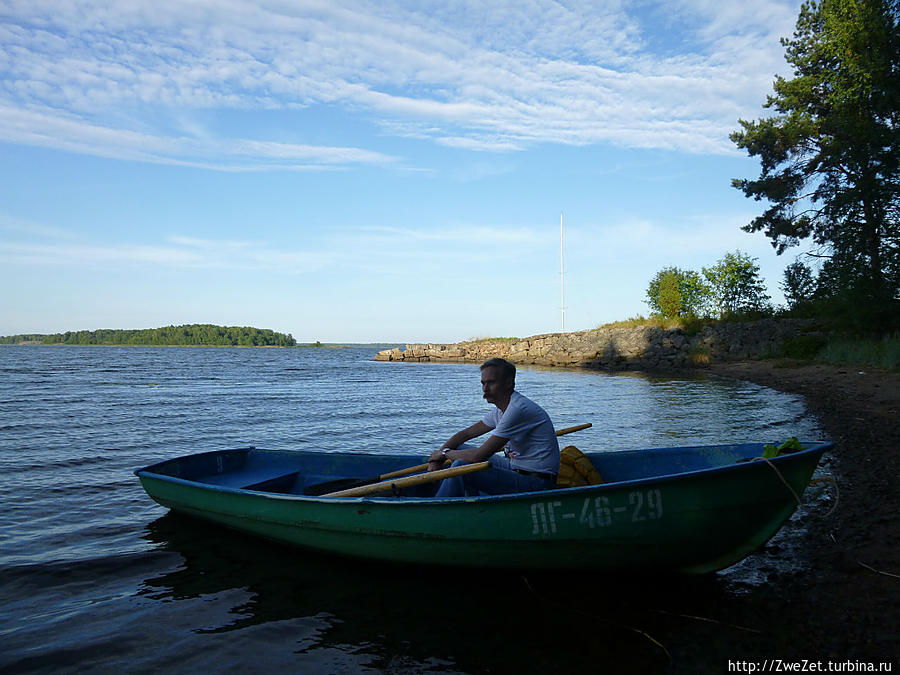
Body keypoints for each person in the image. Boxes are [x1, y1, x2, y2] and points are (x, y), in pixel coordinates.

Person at [428, 357, 560, 497]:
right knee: (459, 449)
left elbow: (478, 456)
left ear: (509, 383)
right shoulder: (501, 410)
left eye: (491, 383)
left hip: (537, 482)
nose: (485, 388)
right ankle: (470, 500)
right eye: (483, 383)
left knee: (463, 467)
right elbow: (465, 435)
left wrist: (443, 453)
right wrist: (436, 459)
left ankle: (438, 506)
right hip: (515, 467)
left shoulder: (517, 410)